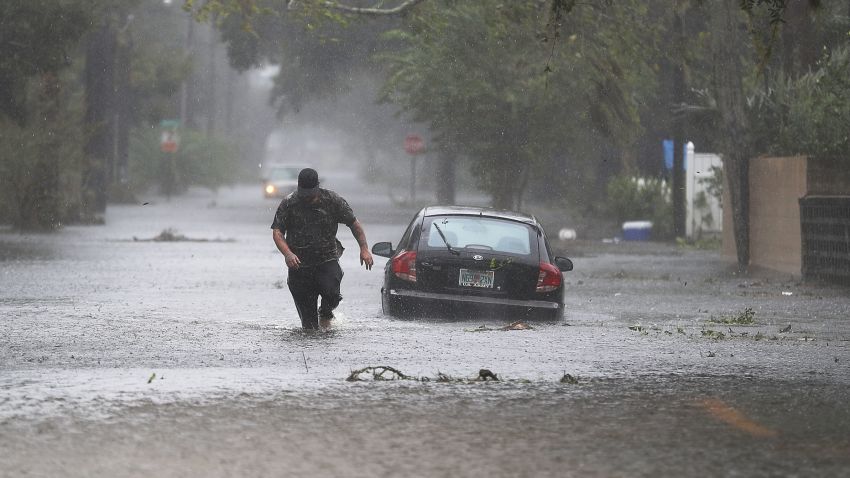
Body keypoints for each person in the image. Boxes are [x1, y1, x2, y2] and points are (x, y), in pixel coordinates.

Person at [271, 167, 374, 329]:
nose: (306, 198)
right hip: (298, 265)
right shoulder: (289, 203)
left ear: (318, 187)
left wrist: (364, 248)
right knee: (309, 328)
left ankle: (325, 313)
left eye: (310, 194)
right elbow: (277, 232)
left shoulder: (332, 200)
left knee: (332, 294)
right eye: (303, 193)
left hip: (326, 259)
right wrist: (287, 254)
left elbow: (354, 224)